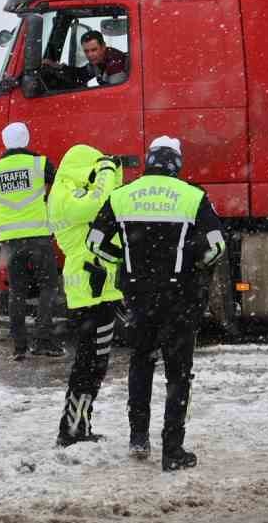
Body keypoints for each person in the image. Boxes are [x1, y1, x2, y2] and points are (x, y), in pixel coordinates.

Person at [86, 136, 226, 471]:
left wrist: (123, 263)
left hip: (138, 298)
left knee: (141, 362)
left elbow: (95, 243)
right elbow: (217, 247)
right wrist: (195, 266)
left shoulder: (120, 197)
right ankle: (172, 450)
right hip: (181, 299)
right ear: (177, 163)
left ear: (149, 161)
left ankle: (138, 437)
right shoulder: (192, 197)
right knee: (178, 374)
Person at [47, 144, 124, 446]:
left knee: (94, 363)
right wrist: (106, 170)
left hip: (97, 290)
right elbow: (100, 202)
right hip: (90, 292)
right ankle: (72, 430)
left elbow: (110, 202)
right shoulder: (65, 194)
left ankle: (79, 425)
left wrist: (111, 172)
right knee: (89, 364)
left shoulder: (68, 192)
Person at [0, 121, 62, 360]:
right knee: (48, 286)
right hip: (38, 236)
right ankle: (43, 340)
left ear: (6, 142)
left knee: (17, 291)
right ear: (26, 139)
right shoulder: (40, 164)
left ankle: (19, 345)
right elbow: (59, 190)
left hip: (10, 240)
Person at [43, 30, 128, 89]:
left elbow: (113, 94)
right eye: (86, 51)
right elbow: (81, 75)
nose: (90, 55)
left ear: (103, 46)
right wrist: (58, 67)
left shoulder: (115, 63)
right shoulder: (98, 61)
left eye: (94, 50)